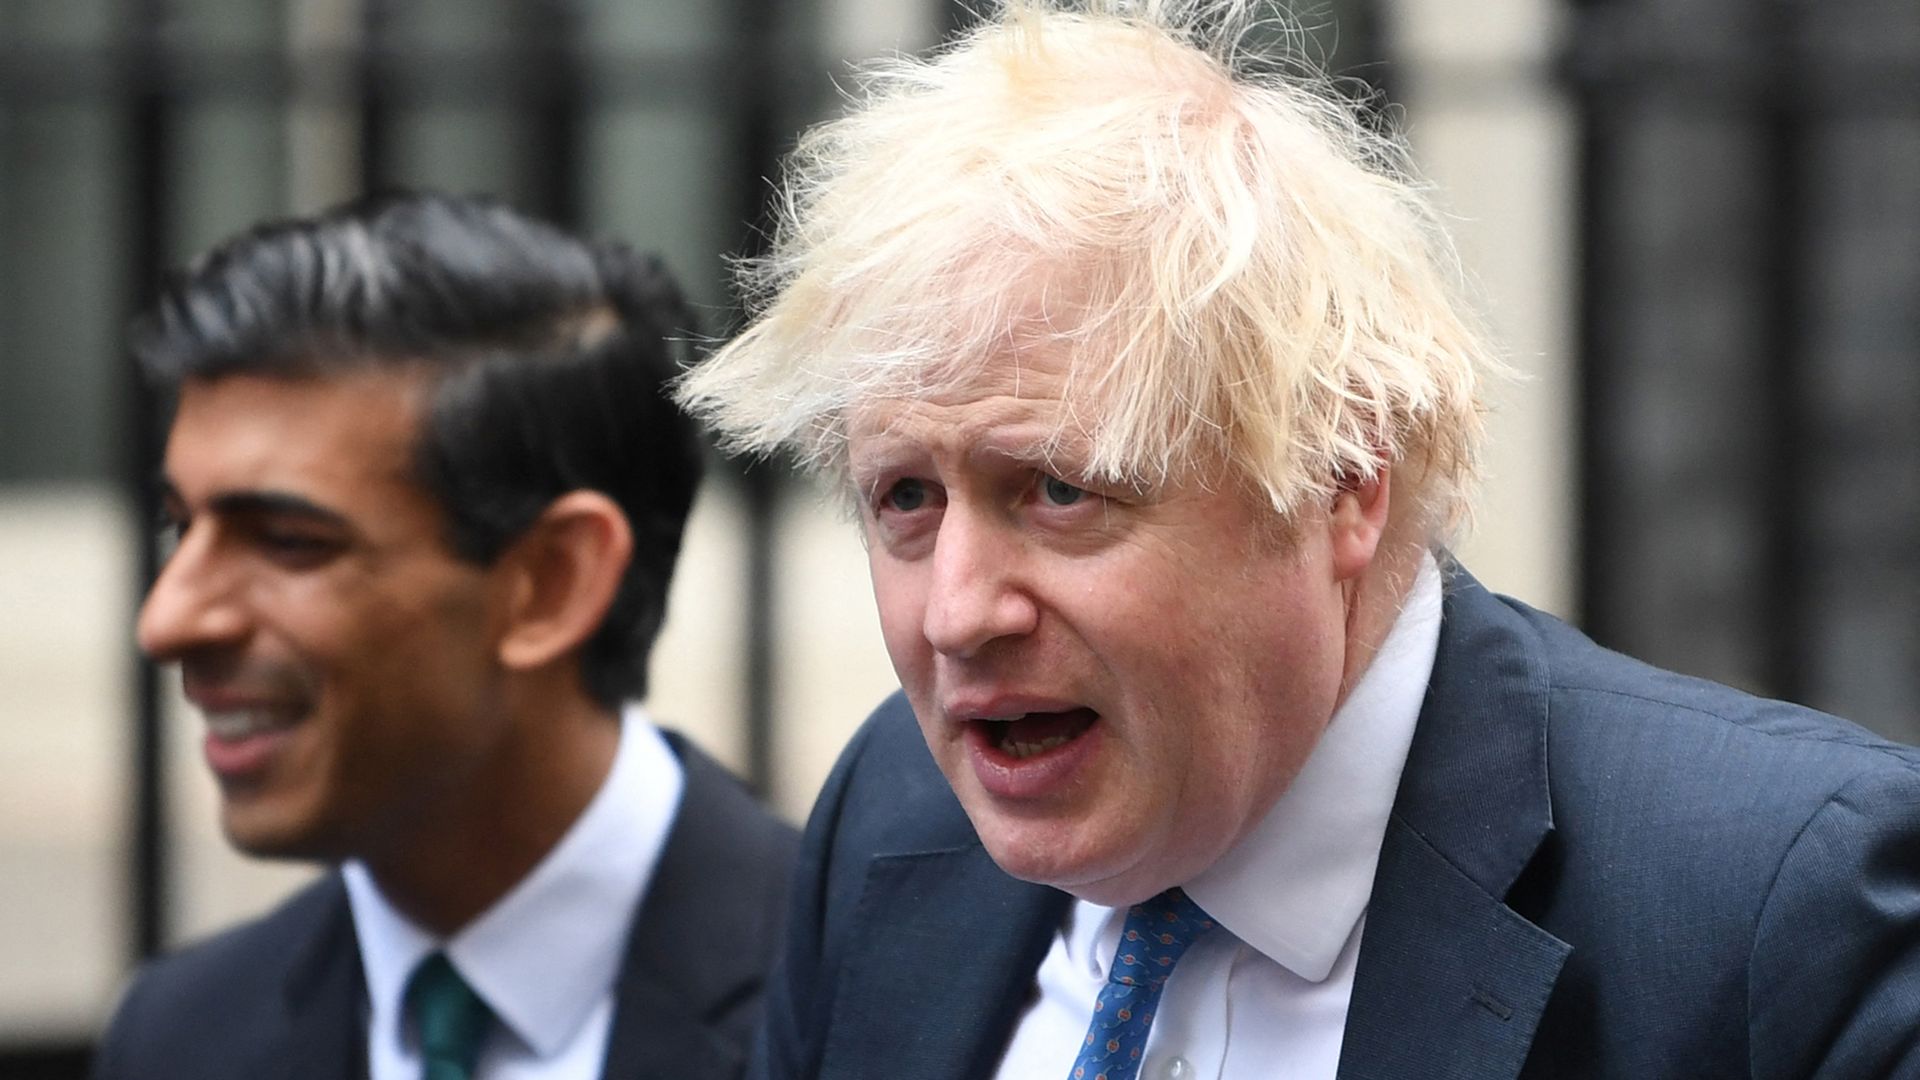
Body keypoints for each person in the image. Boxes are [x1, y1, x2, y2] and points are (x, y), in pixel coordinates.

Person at [673, 3, 1920, 1078]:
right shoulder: (890, 821)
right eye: (905, 499)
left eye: (1057, 490)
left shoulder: (1771, 907)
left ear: (1342, 482)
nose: (957, 611)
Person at [94, 192, 797, 1080]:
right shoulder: (180, 1037)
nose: (168, 621)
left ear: (553, 583)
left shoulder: (878, 1001)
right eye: (178, 525)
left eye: (287, 541)